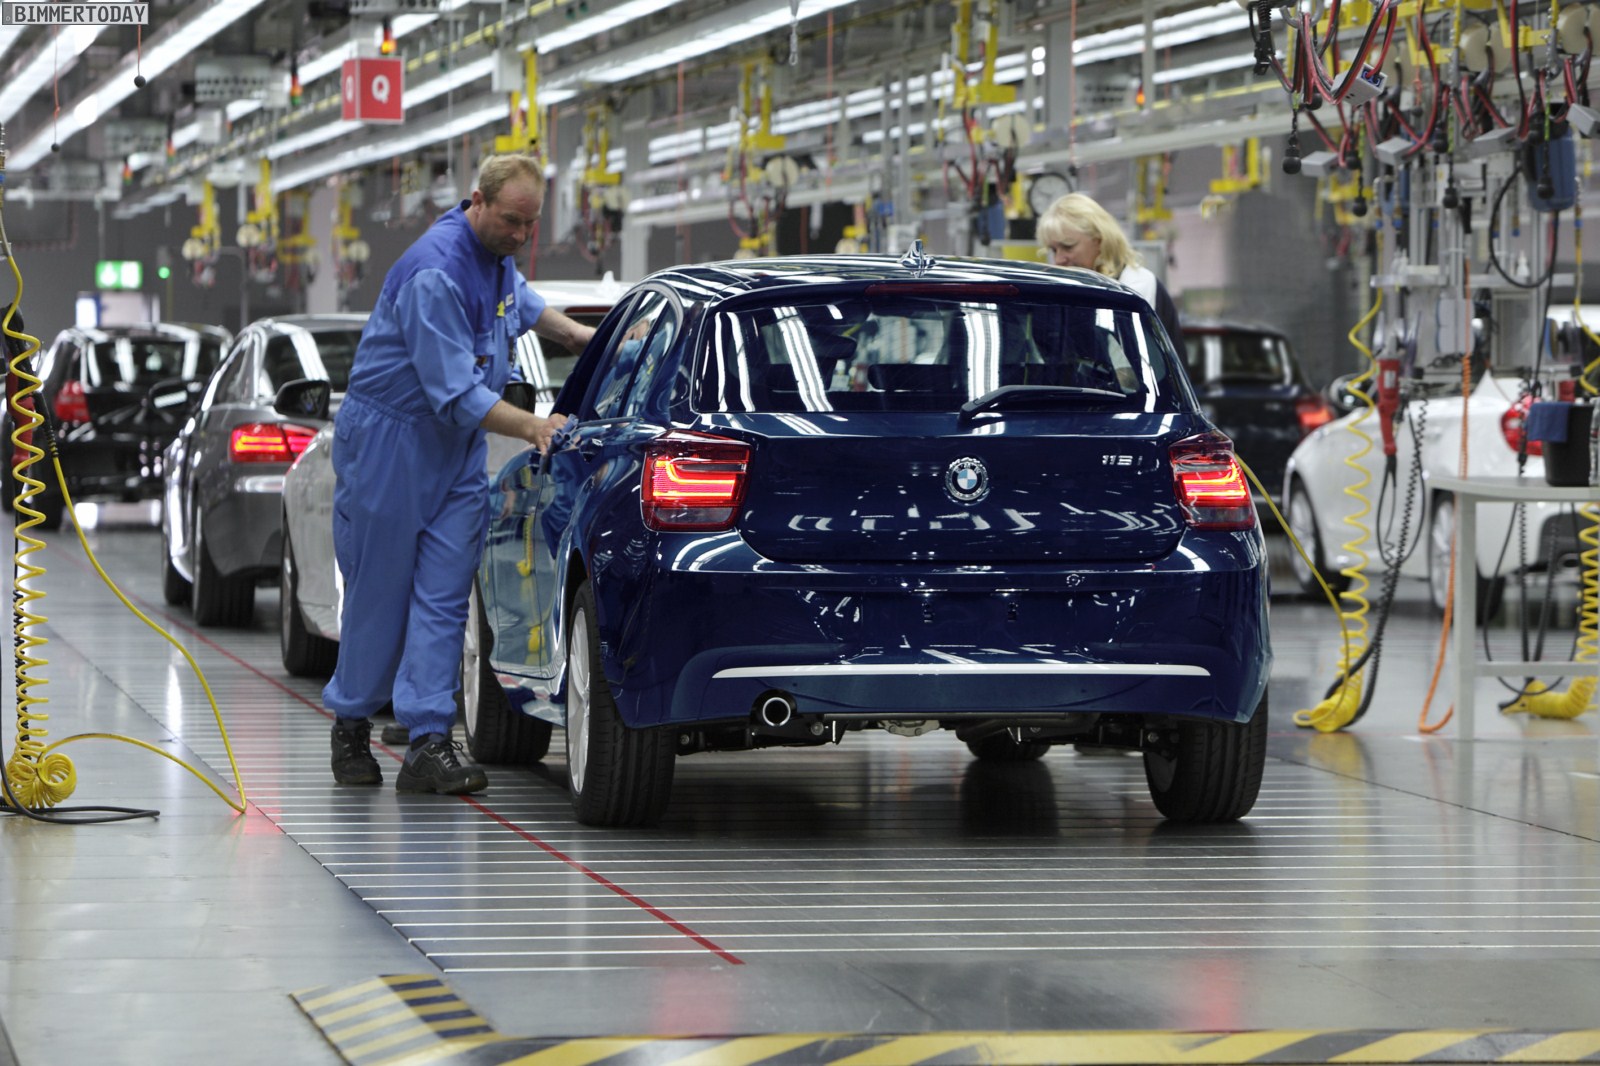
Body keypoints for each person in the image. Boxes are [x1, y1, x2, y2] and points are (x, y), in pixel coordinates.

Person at [326, 153, 593, 795]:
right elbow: (453, 393)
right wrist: (533, 427)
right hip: (391, 443)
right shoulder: (435, 273)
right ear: (478, 201)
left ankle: (427, 740)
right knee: (380, 593)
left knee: (445, 596)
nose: (521, 235)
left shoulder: (495, 257)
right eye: (511, 222)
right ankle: (351, 724)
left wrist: (581, 338)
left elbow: (522, 305)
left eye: (530, 225)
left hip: (455, 449)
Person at [1037, 192, 1188, 365]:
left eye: (1067, 246)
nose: (1058, 259)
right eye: (1054, 250)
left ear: (1100, 240)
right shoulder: (1080, 290)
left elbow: (1126, 370)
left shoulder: (1135, 285)